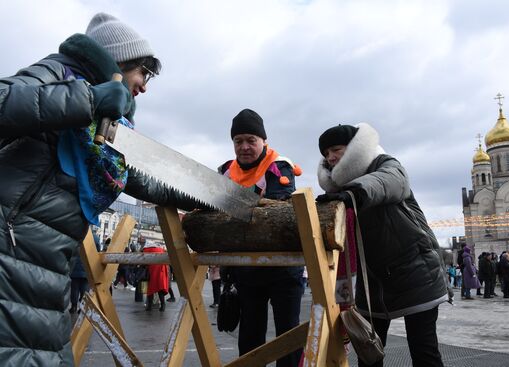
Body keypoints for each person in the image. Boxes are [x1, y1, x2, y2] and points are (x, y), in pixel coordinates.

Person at [0, 13, 204, 365]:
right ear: (118, 61)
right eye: (144, 72)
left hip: (48, 268)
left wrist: (214, 195)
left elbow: (147, 179)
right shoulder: (59, 73)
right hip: (10, 252)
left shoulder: (110, 126)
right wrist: (87, 100)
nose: (145, 85)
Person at [315, 123, 451, 367]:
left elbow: (390, 181)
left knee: (424, 351)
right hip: (373, 281)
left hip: (416, 272)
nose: (330, 157)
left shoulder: (385, 164)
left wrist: (354, 194)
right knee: (368, 352)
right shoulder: (339, 190)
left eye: (336, 149)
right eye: (326, 154)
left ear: (355, 147)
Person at [219, 108, 304, 367]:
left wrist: (232, 212)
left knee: (287, 338)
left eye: (251, 140)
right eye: (238, 141)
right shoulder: (225, 171)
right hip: (246, 270)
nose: (244, 147)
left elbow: (277, 209)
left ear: (264, 141)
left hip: (283, 268)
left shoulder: (279, 167)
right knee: (249, 339)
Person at [143, 242, 170, 312]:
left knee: (150, 289)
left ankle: (149, 306)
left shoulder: (146, 250)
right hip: (162, 271)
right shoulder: (161, 249)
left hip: (152, 271)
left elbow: (143, 260)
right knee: (160, 289)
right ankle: (163, 305)